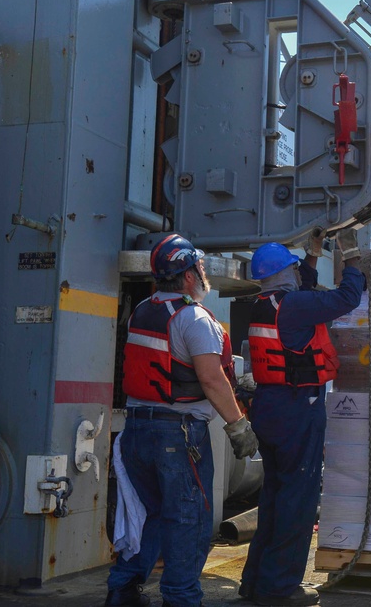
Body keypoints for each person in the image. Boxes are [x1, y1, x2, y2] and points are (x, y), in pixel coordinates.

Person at [106, 234, 259, 607]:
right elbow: (210, 379)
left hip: (136, 430)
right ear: (188, 276)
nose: (203, 272)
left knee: (146, 515)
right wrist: (239, 426)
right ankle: (180, 598)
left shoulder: (144, 309)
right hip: (178, 434)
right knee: (189, 519)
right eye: (199, 267)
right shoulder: (194, 318)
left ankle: (123, 591)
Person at [238, 227, 365, 607]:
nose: (298, 274)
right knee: (298, 500)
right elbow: (347, 296)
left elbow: (303, 289)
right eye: (294, 269)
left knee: (275, 497)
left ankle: (256, 583)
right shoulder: (293, 307)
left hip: (269, 407)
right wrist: (351, 254)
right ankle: (280, 588)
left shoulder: (265, 303)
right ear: (284, 273)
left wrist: (311, 255)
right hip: (297, 409)